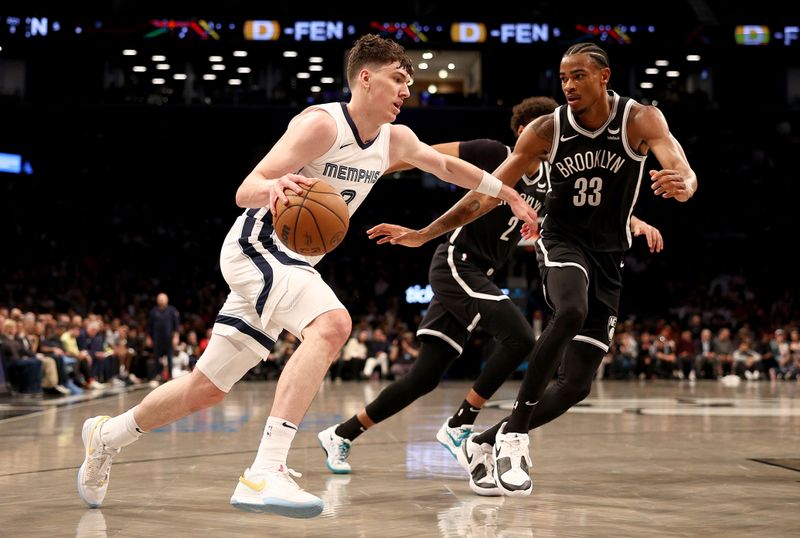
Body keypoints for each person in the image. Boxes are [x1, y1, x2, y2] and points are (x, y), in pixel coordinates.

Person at [75, 34, 537, 519]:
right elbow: (245, 189)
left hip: (293, 264)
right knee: (333, 325)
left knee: (205, 388)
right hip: (257, 247)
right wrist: (275, 185)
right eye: (398, 78)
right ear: (365, 77)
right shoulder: (322, 124)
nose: (407, 90)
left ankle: (106, 436)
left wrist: (505, 192)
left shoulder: (395, 140)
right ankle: (265, 469)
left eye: (409, 82)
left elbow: (445, 166)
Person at [317, 96, 663, 496]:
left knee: (424, 376)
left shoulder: (552, 182)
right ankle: (461, 424)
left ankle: (342, 434)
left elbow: (591, 211)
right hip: (455, 263)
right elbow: (422, 155)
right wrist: (364, 170)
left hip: (480, 273)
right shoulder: (493, 153)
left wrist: (634, 221)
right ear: (527, 133)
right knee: (521, 338)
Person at [418, 42, 695, 497]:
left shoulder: (641, 119)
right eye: (563, 77)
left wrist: (683, 186)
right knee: (569, 309)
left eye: (579, 76)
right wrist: (427, 233)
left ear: (604, 77)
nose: (568, 85)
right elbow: (487, 193)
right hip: (562, 239)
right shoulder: (547, 130)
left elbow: (683, 172)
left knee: (575, 386)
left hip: (610, 255)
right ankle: (515, 437)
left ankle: (484, 443)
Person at [146, 293, 180, 382]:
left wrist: (176, 336)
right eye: (159, 299)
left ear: (167, 300)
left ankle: (170, 376)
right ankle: (157, 376)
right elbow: (150, 326)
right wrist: (149, 337)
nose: (161, 300)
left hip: (168, 338)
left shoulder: (171, 310)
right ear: (157, 300)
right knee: (156, 358)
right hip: (157, 339)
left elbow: (176, 325)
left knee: (169, 358)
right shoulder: (154, 311)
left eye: (163, 299)